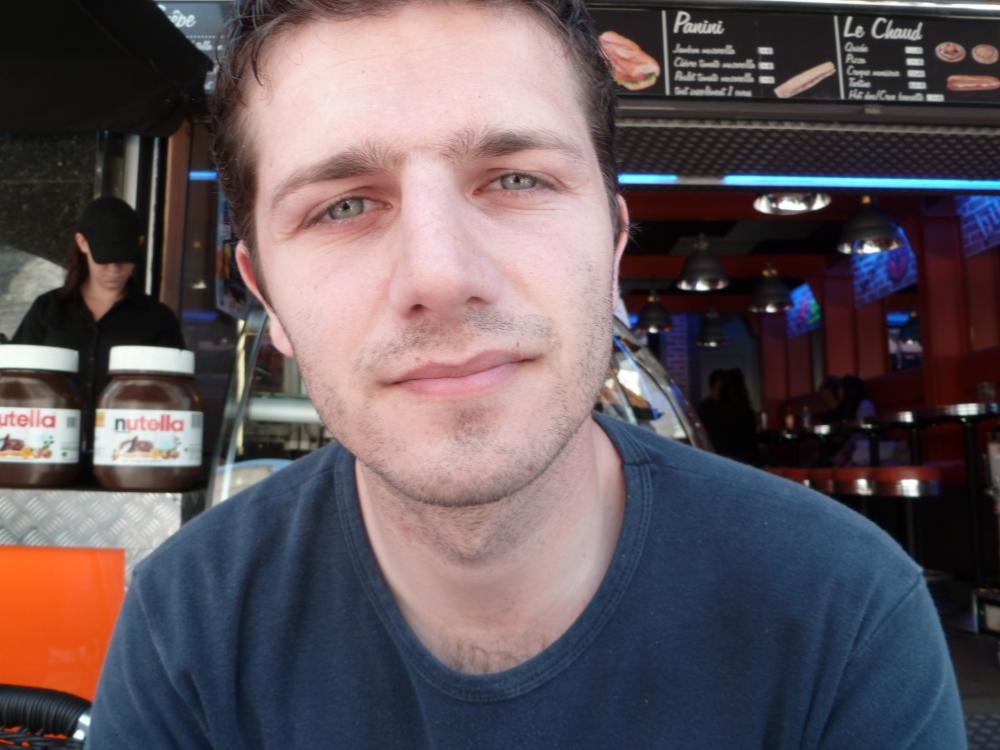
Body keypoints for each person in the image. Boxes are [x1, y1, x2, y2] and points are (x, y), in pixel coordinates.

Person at [87, 1, 965, 747]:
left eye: (515, 178)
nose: (440, 275)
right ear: (265, 294)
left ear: (613, 247)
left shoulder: (842, 608)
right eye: (344, 205)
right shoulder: (187, 623)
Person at [12, 196, 185, 456]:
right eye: (104, 260)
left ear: (139, 244)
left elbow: (173, 396)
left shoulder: (157, 319)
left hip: (130, 455)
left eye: (123, 260)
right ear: (82, 243)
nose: (114, 269)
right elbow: (18, 381)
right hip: (47, 450)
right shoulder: (48, 310)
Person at [698, 367, 760, 465]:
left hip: (718, 460)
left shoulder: (710, 409)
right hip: (743, 462)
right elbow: (751, 443)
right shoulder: (745, 412)